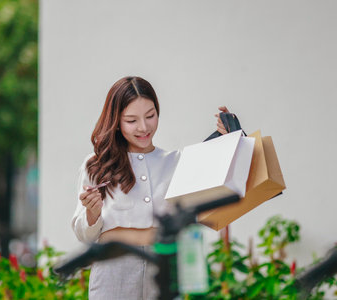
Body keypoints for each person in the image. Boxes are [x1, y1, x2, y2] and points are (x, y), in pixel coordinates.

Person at [71, 76, 229, 300]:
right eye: (131, 120)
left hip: (163, 269)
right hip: (113, 274)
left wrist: (228, 135)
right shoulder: (96, 165)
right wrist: (92, 212)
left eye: (150, 116)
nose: (143, 127)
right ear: (116, 120)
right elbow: (84, 235)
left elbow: (216, 180)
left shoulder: (174, 161)